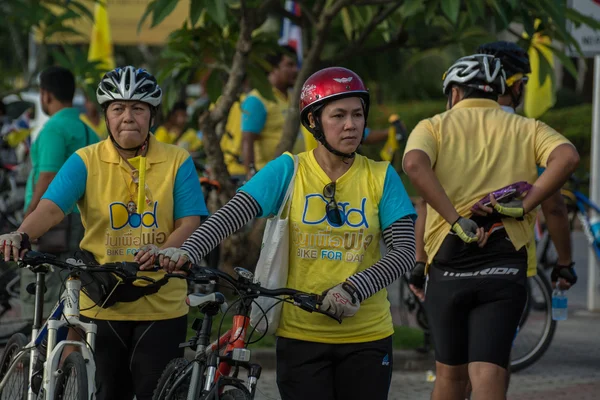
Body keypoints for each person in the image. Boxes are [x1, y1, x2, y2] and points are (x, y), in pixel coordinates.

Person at [145, 67, 417, 400]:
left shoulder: (380, 176)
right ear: (314, 121)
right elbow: (230, 215)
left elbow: (404, 251)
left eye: (358, 114)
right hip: (300, 336)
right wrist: (185, 251)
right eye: (339, 115)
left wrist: (353, 289)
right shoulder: (289, 169)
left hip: (368, 337)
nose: (351, 124)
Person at [0, 66, 207, 400]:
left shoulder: (177, 161)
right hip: (101, 302)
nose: (128, 117)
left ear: (151, 116)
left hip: (163, 303)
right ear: (107, 117)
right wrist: (21, 234)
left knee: (157, 392)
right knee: (108, 391)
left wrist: (163, 252)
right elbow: (51, 208)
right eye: (118, 108)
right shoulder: (86, 160)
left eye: (138, 108)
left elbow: (189, 222)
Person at [402, 54, 579, 400]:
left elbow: (413, 164)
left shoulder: (432, 126)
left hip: (448, 264)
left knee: (449, 378)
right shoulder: (528, 128)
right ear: (499, 91)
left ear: (454, 92)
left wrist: (446, 230)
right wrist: (527, 205)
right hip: (505, 265)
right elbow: (568, 158)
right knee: (488, 375)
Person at [477, 41, 575, 283]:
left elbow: (426, 202)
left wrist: (420, 263)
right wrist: (564, 263)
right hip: (510, 260)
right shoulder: (530, 133)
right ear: (518, 85)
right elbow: (553, 207)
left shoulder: (443, 128)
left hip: (450, 260)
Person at [20, 66, 99, 319]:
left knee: (42, 289)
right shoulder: (89, 130)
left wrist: (29, 219)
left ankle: (39, 351)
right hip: (84, 220)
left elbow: (47, 176)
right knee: (72, 286)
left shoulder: (54, 129)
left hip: (54, 221)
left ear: (45, 95)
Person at [241, 45, 298, 179]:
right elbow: (247, 140)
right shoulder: (258, 99)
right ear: (272, 68)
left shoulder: (292, 97)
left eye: (296, 65)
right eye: (289, 65)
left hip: (293, 174)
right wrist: (251, 175)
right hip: (270, 176)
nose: (295, 70)